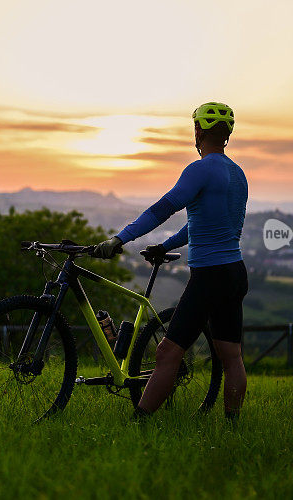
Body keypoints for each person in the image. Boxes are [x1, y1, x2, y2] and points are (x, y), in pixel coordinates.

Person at [93, 101, 249, 421]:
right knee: (232, 357)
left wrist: (120, 238)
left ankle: (140, 423)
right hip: (235, 273)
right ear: (227, 134)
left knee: (167, 353)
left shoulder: (200, 169)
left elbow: (163, 208)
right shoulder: (238, 174)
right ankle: (232, 424)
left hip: (209, 276)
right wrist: (165, 245)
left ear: (198, 131)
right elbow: (199, 225)